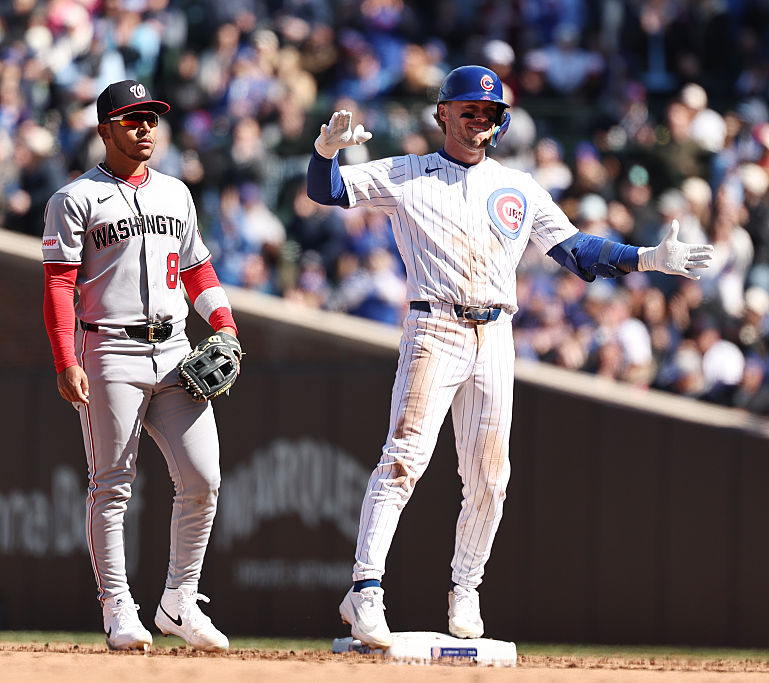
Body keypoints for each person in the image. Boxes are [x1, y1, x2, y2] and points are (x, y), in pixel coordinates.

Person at [305, 65, 713, 648]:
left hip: (495, 333)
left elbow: (576, 251)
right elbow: (327, 191)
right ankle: (365, 590)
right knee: (404, 460)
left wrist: (646, 257)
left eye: (489, 113)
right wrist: (324, 151)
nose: (479, 120)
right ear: (442, 114)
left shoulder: (517, 186)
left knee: (491, 478)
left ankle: (465, 587)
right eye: (468, 109)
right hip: (434, 326)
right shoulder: (407, 172)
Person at [41, 80, 238, 653]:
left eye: (150, 117)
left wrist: (223, 323)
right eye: (131, 119)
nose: (144, 127)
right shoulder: (74, 198)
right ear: (105, 130)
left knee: (204, 477)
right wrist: (64, 358)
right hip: (108, 350)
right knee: (112, 486)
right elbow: (58, 286)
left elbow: (198, 270)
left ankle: (180, 600)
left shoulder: (176, 192)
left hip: (176, 351)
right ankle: (117, 605)